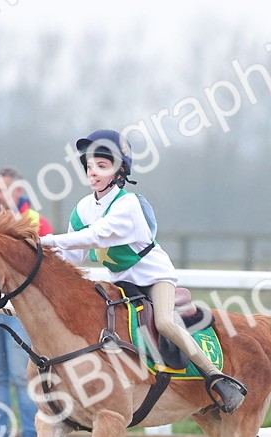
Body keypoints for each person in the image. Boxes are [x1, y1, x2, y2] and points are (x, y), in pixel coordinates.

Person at [39, 129, 247, 412]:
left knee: (163, 322)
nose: (93, 173)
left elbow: (98, 236)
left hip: (154, 279)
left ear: (119, 170)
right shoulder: (83, 209)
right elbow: (72, 256)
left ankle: (217, 378)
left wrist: (46, 240)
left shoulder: (129, 204)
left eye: (102, 166)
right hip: (121, 281)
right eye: (90, 167)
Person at [0, 167, 52, 437]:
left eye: (3, 189)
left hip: (19, 311)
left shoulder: (36, 222)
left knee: (22, 375)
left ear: (18, 190)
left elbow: (46, 265)